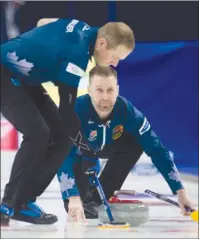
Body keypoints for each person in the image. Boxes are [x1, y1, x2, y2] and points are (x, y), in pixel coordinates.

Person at [0, 18, 135, 226]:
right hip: (5, 73)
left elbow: (44, 21)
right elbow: (67, 110)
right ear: (102, 44)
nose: (115, 64)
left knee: (62, 137)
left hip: (25, 77)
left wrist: (46, 52)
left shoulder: (84, 28)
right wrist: (87, 150)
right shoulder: (77, 53)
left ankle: (23, 202)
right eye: (115, 56)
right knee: (38, 134)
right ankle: (8, 204)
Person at [57, 65, 195, 222]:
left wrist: (180, 192)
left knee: (136, 142)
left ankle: (99, 196)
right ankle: (84, 191)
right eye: (99, 90)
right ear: (89, 90)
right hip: (81, 153)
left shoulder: (128, 112)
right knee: (77, 205)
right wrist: (72, 196)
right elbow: (61, 154)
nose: (105, 97)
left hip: (112, 147)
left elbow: (157, 150)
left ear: (117, 90)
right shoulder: (74, 110)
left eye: (110, 90)